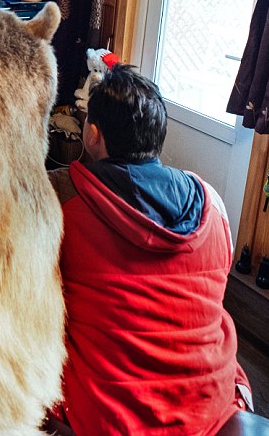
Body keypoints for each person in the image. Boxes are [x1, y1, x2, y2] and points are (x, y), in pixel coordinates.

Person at [45, 64, 251, 436]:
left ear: (92, 135)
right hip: (210, 406)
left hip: (109, 415)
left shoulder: (59, 199)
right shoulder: (212, 204)